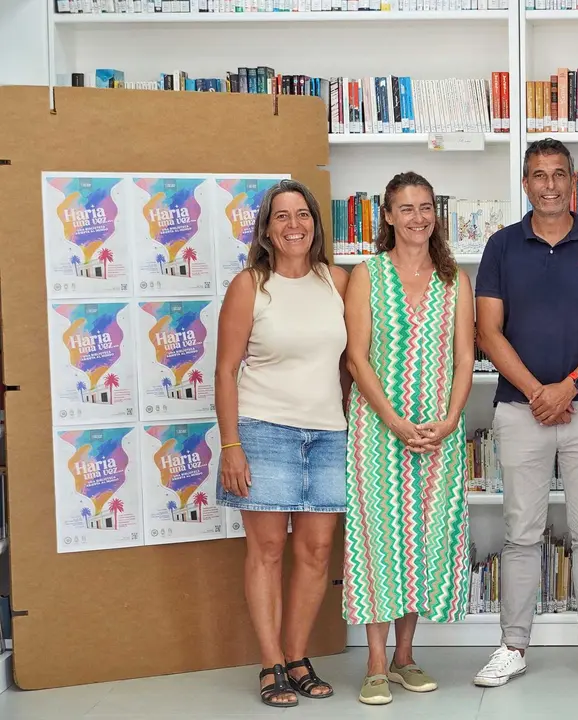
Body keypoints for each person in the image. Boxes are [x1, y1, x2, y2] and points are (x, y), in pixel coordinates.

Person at [472, 138, 578, 688]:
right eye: (538, 174)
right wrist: (537, 392)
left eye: (558, 174)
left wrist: (567, 387)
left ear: (573, 181)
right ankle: (512, 646)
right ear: (525, 183)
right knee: (521, 533)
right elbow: (487, 331)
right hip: (520, 411)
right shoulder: (500, 247)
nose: (548, 184)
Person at [342, 171, 475, 706]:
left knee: (422, 538)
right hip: (379, 430)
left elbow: (466, 357)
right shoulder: (366, 274)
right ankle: (375, 662)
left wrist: (450, 418)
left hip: (439, 430)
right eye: (407, 208)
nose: (418, 217)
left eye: (426, 207)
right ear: (389, 216)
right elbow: (357, 356)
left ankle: (405, 657)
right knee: (379, 541)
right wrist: (394, 420)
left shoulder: (454, 280)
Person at [215, 179, 349, 708]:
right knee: (267, 551)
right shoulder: (251, 285)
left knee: (316, 552)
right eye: (282, 217)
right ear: (267, 229)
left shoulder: (338, 281)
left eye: (303, 216)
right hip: (262, 429)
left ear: (316, 225)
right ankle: (270, 664)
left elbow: (348, 364)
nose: (294, 225)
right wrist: (231, 446)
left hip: (328, 435)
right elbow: (225, 371)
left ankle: (297, 657)